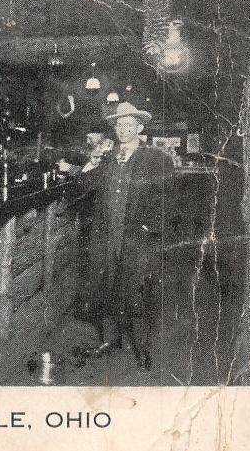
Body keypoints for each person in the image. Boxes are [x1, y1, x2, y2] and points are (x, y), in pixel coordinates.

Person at [79, 102, 174, 370]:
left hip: (138, 239)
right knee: (108, 286)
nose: (123, 129)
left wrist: (149, 228)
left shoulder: (157, 159)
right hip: (108, 236)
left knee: (138, 293)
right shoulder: (108, 157)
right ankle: (111, 340)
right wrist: (93, 160)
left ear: (140, 128)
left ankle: (142, 349)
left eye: (129, 125)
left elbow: (166, 199)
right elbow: (84, 186)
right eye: (119, 125)